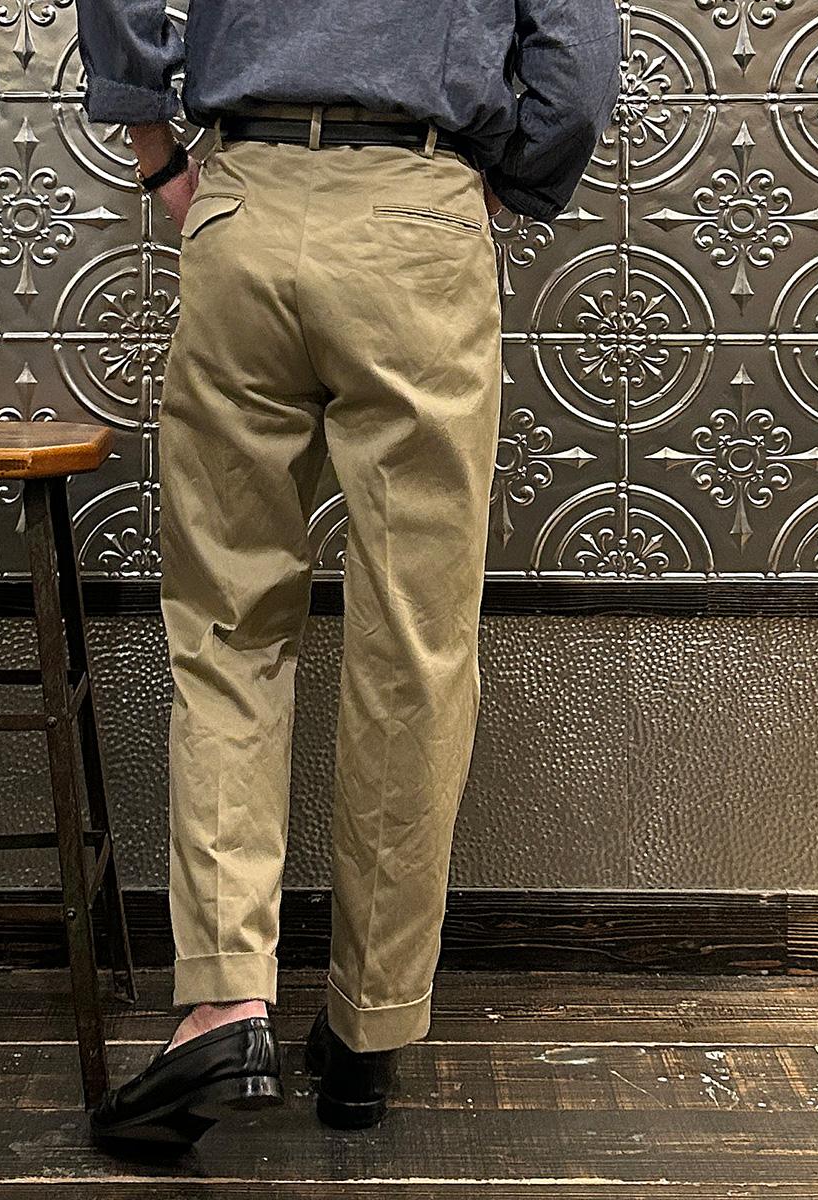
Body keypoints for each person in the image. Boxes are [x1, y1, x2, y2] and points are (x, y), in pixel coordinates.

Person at [73, 0, 621, 1149]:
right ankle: (370, 1029)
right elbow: (577, 58)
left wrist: (157, 151)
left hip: (246, 200)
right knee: (414, 645)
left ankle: (224, 1005)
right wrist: (501, 187)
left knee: (227, 626)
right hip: (419, 219)